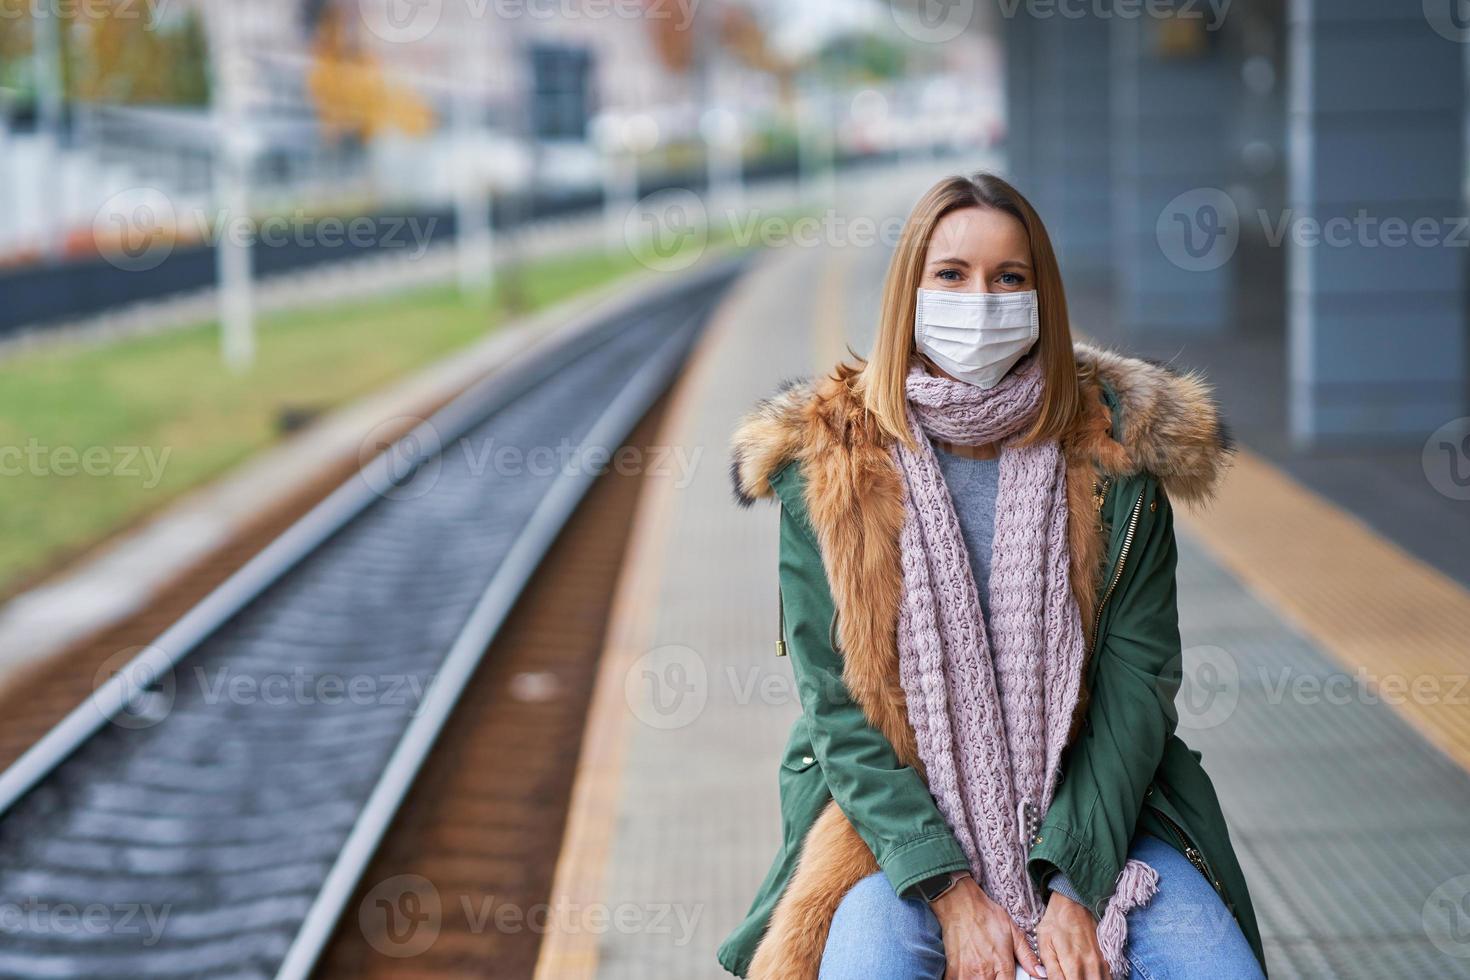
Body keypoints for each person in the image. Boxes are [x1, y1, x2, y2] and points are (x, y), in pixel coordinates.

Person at [718, 173, 1267, 979]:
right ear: (911, 289)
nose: (982, 299)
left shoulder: (1116, 458)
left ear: (1043, 296)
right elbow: (839, 711)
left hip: (1101, 818)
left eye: (1011, 277)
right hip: (894, 837)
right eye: (953, 274)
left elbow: (1137, 689)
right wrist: (950, 893)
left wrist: (1076, 884)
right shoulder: (829, 469)